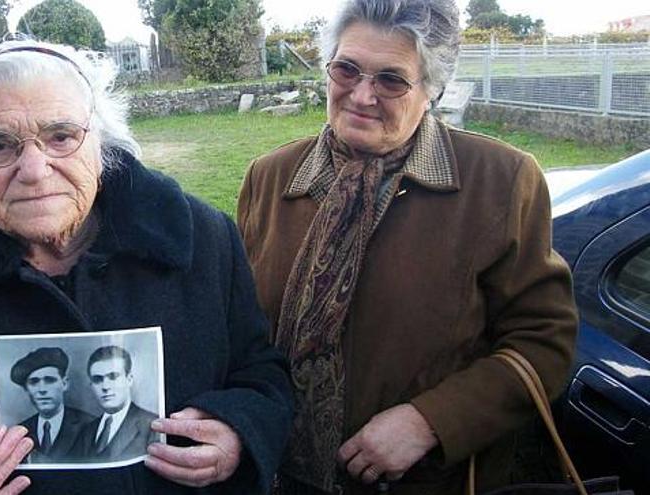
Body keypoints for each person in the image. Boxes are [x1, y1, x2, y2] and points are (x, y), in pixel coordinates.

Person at [0, 40, 293, 495]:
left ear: (103, 147)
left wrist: (237, 433)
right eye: (0, 145)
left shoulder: (203, 240)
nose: (34, 168)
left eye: (61, 136)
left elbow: (261, 376)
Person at [236, 1, 578, 494]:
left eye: (391, 80)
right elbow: (241, 330)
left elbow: (544, 343)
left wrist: (430, 421)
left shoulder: (500, 182)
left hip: (427, 482)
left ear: (432, 89)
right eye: (346, 69)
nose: (361, 94)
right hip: (280, 475)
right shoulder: (270, 178)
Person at [9, 347, 93, 463]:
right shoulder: (20, 431)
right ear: (26, 389)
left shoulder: (90, 425)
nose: (42, 389)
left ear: (64, 384)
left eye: (49, 380)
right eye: (34, 382)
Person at [78, 345, 159, 462]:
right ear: (91, 385)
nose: (105, 386)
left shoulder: (152, 425)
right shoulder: (87, 431)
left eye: (113, 377)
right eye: (97, 379)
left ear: (129, 379)